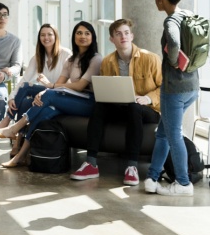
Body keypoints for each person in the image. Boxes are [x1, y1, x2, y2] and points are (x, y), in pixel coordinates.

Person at [0, 22, 102, 167]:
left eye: (87, 33)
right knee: (44, 111)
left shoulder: (96, 58)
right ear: (74, 36)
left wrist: (50, 87)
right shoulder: (70, 60)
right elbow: (58, 85)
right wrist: (46, 90)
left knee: (48, 96)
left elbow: (80, 86)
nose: (83, 36)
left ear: (93, 37)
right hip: (71, 99)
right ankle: (20, 155)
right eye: (79, 33)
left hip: (89, 102)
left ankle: (14, 128)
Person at [69, 18, 162, 186]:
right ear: (112, 39)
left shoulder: (151, 59)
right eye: (118, 34)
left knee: (134, 107)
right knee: (99, 106)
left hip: (148, 109)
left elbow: (165, 88)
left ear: (132, 36)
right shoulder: (108, 62)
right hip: (121, 108)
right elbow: (106, 89)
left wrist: (147, 98)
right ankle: (91, 163)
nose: (123, 37)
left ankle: (132, 167)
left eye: (126, 33)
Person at [145, 0, 200, 196]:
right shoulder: (188, 14)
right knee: (163, 133)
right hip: (192, 86)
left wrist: (172, 61)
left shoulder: (170, 22)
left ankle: (184, 183)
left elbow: (174, 44)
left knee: (173, 134)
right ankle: (152, 178)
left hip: (174, 90)